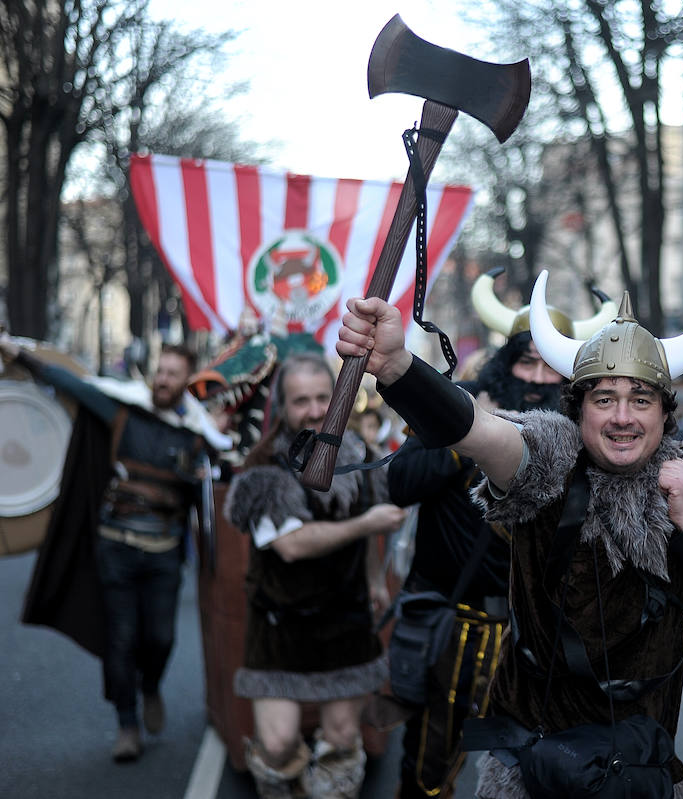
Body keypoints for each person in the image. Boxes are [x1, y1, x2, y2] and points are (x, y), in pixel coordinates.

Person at [336, 267, 683, 798]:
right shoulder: (548, 455)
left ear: (666, 412)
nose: (623, 417)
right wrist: (398, 367)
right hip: (533, 762)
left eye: (641, 399)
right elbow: (477, 431)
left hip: (639, 768)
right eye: (604, 399)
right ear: (578, 407)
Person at [385, 269, 615, 799]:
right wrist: (470, 432)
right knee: (430, 769)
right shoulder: (457, 403)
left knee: (526, 770)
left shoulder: (580, 434)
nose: (536, 378)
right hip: (457, 626)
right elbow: (400, 483)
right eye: (524, 361)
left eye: (549, 366)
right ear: (504, 362)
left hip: (536, 642)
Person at [1, 332, 231, 762]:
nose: (162, 380)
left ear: (186, 381)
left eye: (173, 374)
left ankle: (150, 687)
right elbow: (75, 386)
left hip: (163, 554)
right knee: (120, 640)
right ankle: (127, 724)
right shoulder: (124, 412)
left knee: (160, 639)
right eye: (160, 371)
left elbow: (219, 479)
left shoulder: (198, 435)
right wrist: (23, 357)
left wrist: (206, 469)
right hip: (116, 549)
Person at [223, 353, 407, 799]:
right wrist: (368, 525)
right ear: (282, 408)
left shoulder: (359, 454)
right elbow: (292, 544)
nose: (314, 409)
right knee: (278, 744)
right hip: (279, 624)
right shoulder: (263, 467)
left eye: (324, 397)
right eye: (300, 400)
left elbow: (362, 533)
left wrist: (371, 582)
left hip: (345, 621)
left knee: (342, 739)